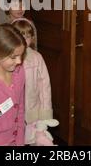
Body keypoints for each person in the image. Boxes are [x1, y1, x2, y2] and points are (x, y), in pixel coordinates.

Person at [11, 18, 57, 146]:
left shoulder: (37, 58)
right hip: (12, 114)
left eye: (28, 36)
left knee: (35, 140)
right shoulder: (9, 58)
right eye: (21, 35)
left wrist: (45, 112)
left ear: (32, 38)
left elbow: (45, 87)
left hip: (33, 112)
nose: (25, 40)